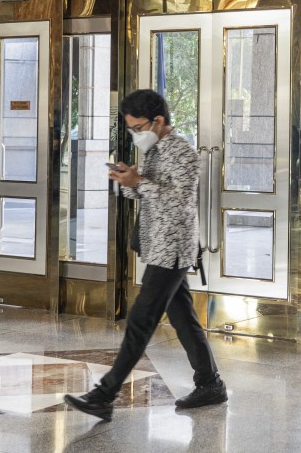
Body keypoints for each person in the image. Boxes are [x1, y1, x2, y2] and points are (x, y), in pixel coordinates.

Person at [65, 89, 227, 419]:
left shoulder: (181, 151)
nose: (136, 134)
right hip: (158, 246)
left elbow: (180, 200)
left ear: (159, 121)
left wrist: (139, 180)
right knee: (183, 319)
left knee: (140, 322)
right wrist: (126, 179)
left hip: (173, 249)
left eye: (138, 128)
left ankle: (104, 394)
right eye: (132, 129)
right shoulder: (154, 150)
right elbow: (145, 194)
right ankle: (210, 384)